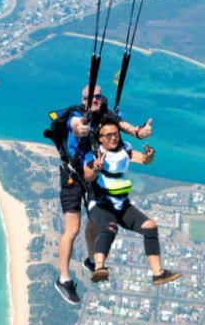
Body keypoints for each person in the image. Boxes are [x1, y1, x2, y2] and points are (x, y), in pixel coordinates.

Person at [54, 84, 153, 305]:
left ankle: (90, 259)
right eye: (90, 97)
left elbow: (123, 126)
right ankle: (63, 278)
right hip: (72, 177)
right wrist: (81, 129)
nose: (94, 100)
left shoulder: (107, 116)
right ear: (84, 99)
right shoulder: (76, 114)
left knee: (96, 221)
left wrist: (139, 132)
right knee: (72, 228)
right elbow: (76, 125)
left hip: (93, 175)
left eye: (98, 96)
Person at [83, 121, 180, 286]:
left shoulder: (124, 149)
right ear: (100, 139)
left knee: (150, 226)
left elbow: (143, 160)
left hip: (120, 203)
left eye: (116, 134)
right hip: (99, 202)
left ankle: (158, 273)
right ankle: (98, 267)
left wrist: (149, 156)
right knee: (109, 228)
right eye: (109, 135)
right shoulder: (94, 154)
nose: (114, 137)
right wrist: (96, 168)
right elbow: (88, 176)